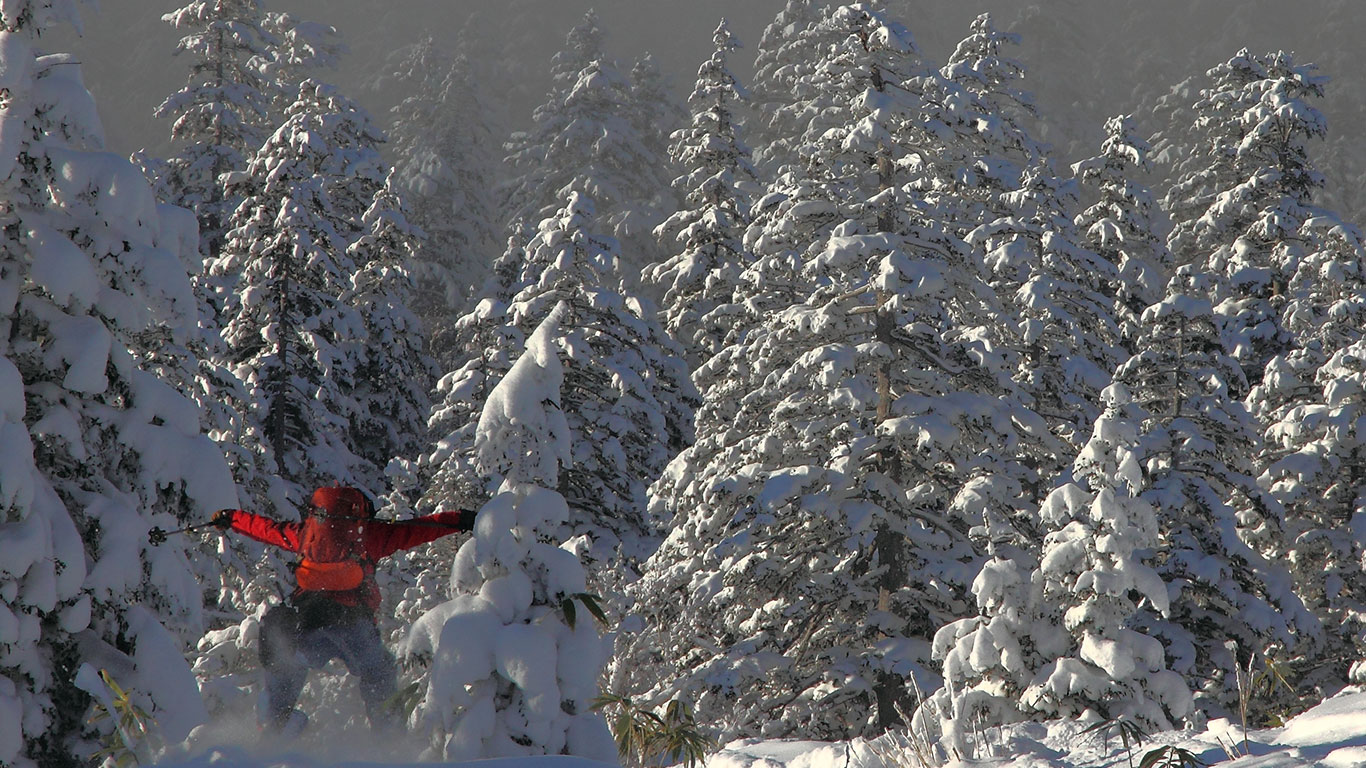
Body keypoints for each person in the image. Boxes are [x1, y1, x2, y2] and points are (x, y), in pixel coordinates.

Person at [211, 486, 476, 733]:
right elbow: (419, 529)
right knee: (378, 672)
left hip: (307, 622)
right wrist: (459, 520)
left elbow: (266, 528)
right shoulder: (371, 535)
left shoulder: (306, 534)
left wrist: (231, 518)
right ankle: (388, 736)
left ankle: (275, 731)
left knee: (287, 668)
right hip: (353, 623)